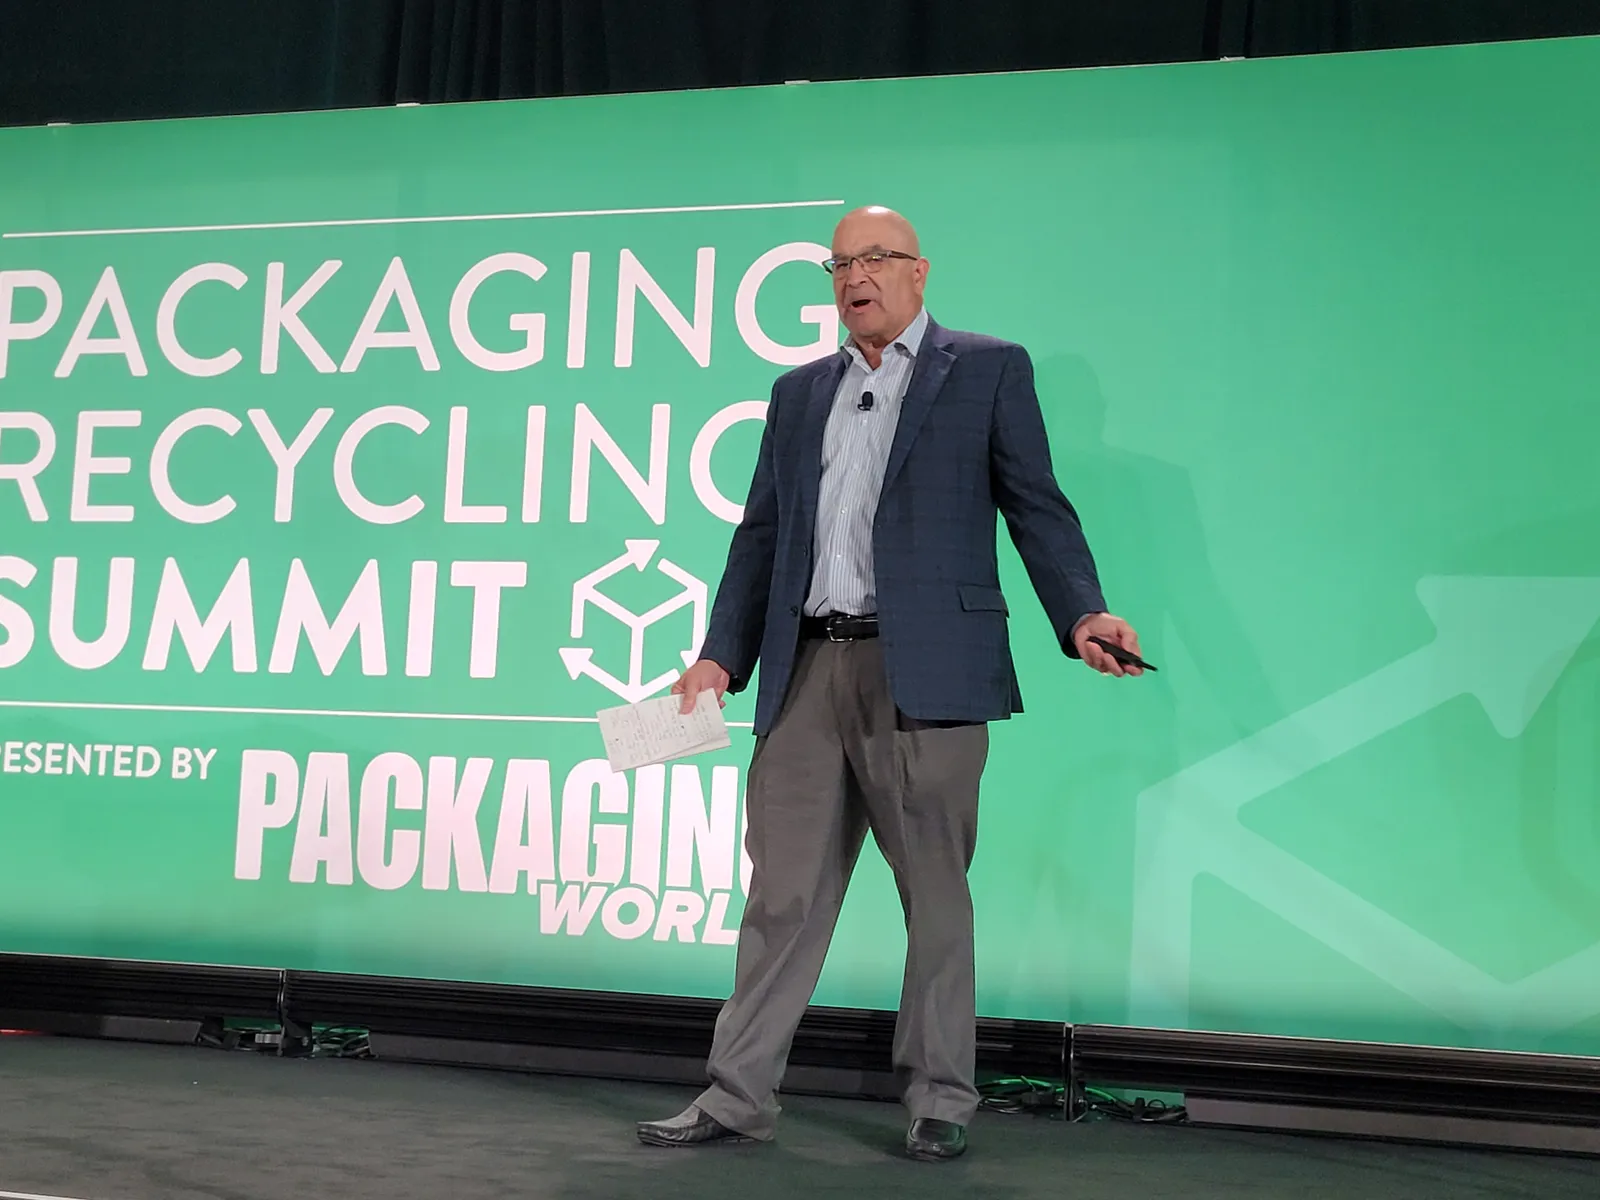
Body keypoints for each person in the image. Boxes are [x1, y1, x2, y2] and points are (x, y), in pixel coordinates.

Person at [636, 205, 1143, 1162]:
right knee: (779, 896)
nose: (853, 277)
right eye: (838, 263)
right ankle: (735, 1096)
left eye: (874, 259)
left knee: (935, 896)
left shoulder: (986, 369)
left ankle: (942, 1096)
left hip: (929, 671)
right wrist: (719, 655)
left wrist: (1081, 613)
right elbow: (760, 538)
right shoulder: (797, 393)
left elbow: (1036, 504)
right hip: (806, 666)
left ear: (919, 273)